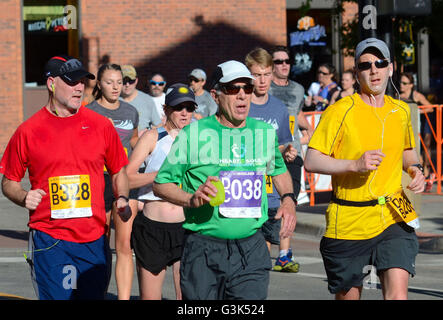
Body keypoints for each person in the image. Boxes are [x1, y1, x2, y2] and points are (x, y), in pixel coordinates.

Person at [152, 60, 297, 300]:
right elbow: (161, 184)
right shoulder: (194, 134)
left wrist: (289, 199)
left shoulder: (263, 132)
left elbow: (278, 170)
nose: (242, 95)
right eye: (232, 89)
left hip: (251, 248)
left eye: (247, 89)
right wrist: (191, 198)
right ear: (215, 95)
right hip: (203, 248)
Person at [0, 55, 130, 300]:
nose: (80, 87)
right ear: (51, 84)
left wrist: (122, 196)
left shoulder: (101, 125)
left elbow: (119, 170)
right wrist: (23, 196)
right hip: (50, 239)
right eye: (72, 81)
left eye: (83, 81)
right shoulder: (28, 131)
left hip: (93, 238)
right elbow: (8, 181)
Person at [305, 38, 426, 300]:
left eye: (380, 63)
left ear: (390, 68)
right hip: (350, 219)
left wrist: (416, 169)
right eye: (366, 65)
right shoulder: (340, 111)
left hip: (394, 215)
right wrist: (354, 164)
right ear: (357, 73)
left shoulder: (401, 111)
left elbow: (406, 150)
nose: (374, 70)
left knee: (398, 296)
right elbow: (311, 160)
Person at [127, 83, 196, 300]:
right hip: (153, 228)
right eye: (178, 107)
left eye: (189, 107)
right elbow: (126, 178)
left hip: (186, 227)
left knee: (187, 298)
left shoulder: (199, 139)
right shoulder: (152, 137)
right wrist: (160, 177)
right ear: (166, 109)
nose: (184, 113)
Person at [86, 63, 139, 300]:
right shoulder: (89, 111)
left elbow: (135, 142)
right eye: (109, 82)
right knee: (101, 244)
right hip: (99, 181)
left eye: (119, 81)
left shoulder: (131, 112)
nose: (116, 86)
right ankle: (99, 293)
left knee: (125, 245)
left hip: (123, 180)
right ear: (99, 84)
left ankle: (124, 298)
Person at [244, 47, 300, 273]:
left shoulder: (278, 108)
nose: (263, 80)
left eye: (267, 74)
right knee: (251, 256)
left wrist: (287, 151)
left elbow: (284, 142)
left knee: (266, 249)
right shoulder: (241, 104)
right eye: (257, 75)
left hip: (273, 189)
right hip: (246, 187)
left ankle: (284, 256)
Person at [269, 46, 314, 270]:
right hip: (268, 152)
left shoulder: (298, 88)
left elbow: (296, 113)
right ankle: (261, 250)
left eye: (287, 61)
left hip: (292, 153)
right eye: (278, 61)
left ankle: (284, 254)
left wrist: (309, 132)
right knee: (267, 202)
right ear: (271, 65)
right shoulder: (264, 88)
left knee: (290, 199)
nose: (284, 65)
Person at [399, 72, 434, 190]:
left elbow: (430, 107)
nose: (401, 85)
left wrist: (417, 112)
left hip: (419, 125)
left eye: (404, 83)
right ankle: (425, 176)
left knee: (423, 149)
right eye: (400, 82)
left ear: (411, 85)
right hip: (405, 127)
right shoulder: (396, 95)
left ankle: (427, 174)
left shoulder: (416, 95)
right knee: (414, 152)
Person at [120, 65, 162, 136]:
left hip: (142, 144)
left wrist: (148, 132)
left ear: (136, 81)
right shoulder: (113, 100)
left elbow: (159, 125)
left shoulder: (147, 100)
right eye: (124, 81)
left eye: (131, 81)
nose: (127, 84)